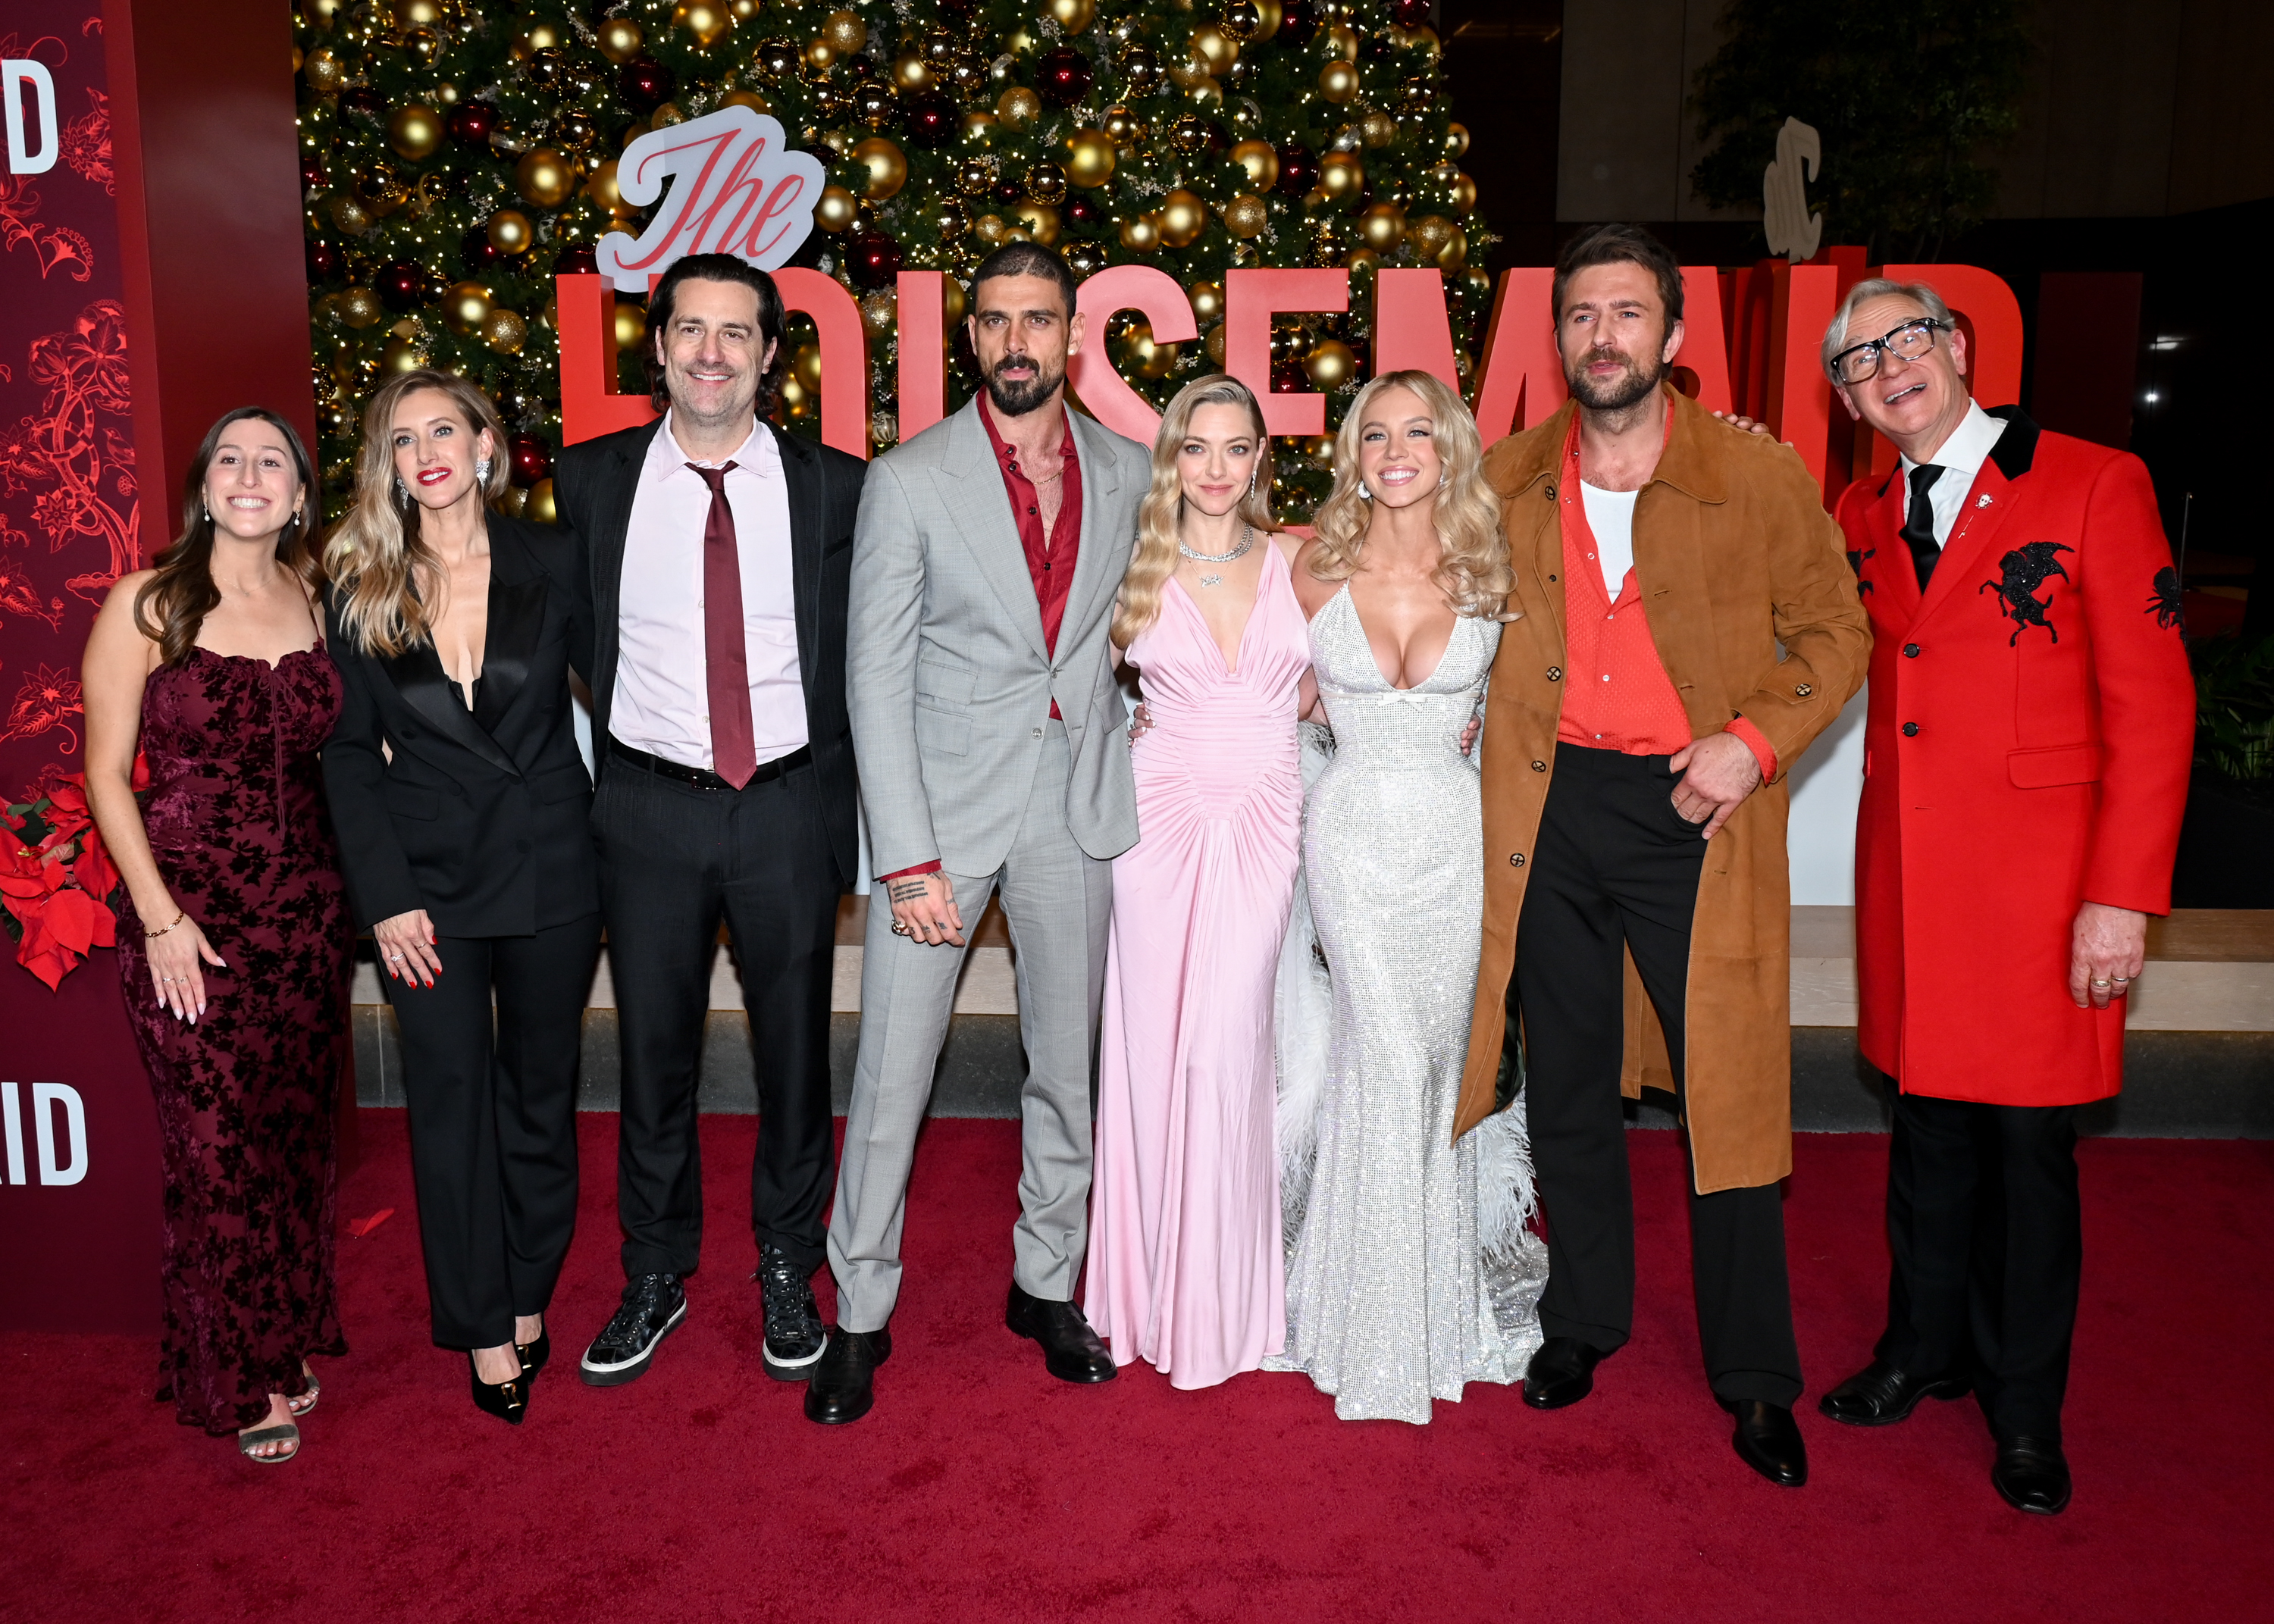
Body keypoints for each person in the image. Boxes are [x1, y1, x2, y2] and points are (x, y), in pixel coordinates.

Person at [1456, 224, 1870, 1486]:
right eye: (1583, 315)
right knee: (1571, 1080)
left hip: (1699, 809)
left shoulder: (1755, 475)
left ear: (1674, 336)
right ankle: (1583, 1320)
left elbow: (1836, 631)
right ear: (1559, 338)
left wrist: (1752, 742)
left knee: (1726, 1096)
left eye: (1628, 313)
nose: (1604, 336)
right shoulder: (1508, 473)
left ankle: (1755, 1376)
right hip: (1548, 810)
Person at [1818, 279, 2193, 1514]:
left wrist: (2120, 897)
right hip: (1913, 879)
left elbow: (2155, 707)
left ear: (1958, 346)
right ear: (1850, 400)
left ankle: (2025, 1409)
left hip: (2044, 891)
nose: (1889, 368)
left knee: (2030, 1153)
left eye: (1907, 339)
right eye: (1859, 360)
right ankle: (1922, 1349)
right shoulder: (1861, 511)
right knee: (1925, 1131)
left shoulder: (2094, 482)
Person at [810, 241, 1149, 1425]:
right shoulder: (911, 480)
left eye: (1038, 319)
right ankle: (859, 1311)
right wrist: (905, 861)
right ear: (971, 340)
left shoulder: (1130, 471)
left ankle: (1046, 1284)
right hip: (941, 825)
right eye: (996, 321)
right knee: (892, 1078)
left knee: (1067, 1069)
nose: (1017, 341)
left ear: (1072, 336)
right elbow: (873, 679)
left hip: (1075, 808)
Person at [550, 254, 869, 1387]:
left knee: (796, 1058)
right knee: (651, 1056)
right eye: (691, 329)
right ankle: (654, 1270)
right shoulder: (589, 481)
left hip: (788, 804)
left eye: (738, 332)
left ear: (771, 353)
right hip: (647, 809)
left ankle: (788, 1260)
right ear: (660, 346)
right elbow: (570, 635)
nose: (713, 353)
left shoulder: (839, 486)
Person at [1265, 368, 1546, 1425]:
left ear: (1448, 449)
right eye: (1375, 433)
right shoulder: (1310, 567)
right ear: (1353, 452)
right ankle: (1368, 1323)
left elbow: (1530, 708)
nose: (1395, 452)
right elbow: (1264, 688)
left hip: (1453, 845)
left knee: (1432, 1072)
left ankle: (1431, 1307)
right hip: (1350, 844)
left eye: (1417, 432)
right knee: (1378, 1058)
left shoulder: (1491, 567)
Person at [321, 370, 599, 1424]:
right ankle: (481, 1322)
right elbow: (350, 757)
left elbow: (626, 693)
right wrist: (384, 896)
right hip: (424, 889)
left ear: (487, 446)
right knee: (449, 1099)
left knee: (539, 1095)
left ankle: (528, 1290)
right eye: (403, 439)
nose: (427, 452)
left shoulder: (555, 558)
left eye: (445, 430)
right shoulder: (359, 585)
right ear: (387, 465)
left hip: (552, 867)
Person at [81, 408, 347, 1464]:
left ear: (298, 495)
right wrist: (159, 918)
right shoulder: (147, 602)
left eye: (271, 460)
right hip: (189, 919)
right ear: (203, 487)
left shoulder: (317, 595)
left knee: (289, 1144)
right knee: (217, 1150)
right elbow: (106, 774)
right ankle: (242, 1374)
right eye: (229, 459)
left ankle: (282, 1334)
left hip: (307, 919)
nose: (249, 474)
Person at [1086, 375, 1311, 1389]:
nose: (1216, 469)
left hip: (1265, 819)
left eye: (1235, 448)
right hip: (1157, 822)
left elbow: (1349, 671)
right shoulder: (1133, 563)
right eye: (1196, 447)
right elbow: (1068, 685)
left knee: (1225, 1049)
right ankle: (1139, 1297)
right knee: (1147, 1049)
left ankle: (1216, 1305)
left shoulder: (1300, 561)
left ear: (1260, 458)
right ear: (1170, 457)